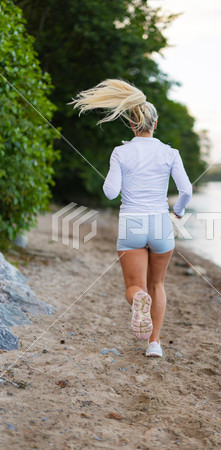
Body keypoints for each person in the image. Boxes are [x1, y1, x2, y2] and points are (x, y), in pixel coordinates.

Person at [69, 79, 192, 357]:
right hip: (160, 223)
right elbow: (186, 190)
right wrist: (179, 212)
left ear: (131, 124)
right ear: (155, 124)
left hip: (132, 224)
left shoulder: (120, 152)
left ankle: (139, 300)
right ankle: (154, 344)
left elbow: (111, 193)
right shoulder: (170, 153)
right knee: (158, 284)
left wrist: (118, 174)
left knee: (135, 287)